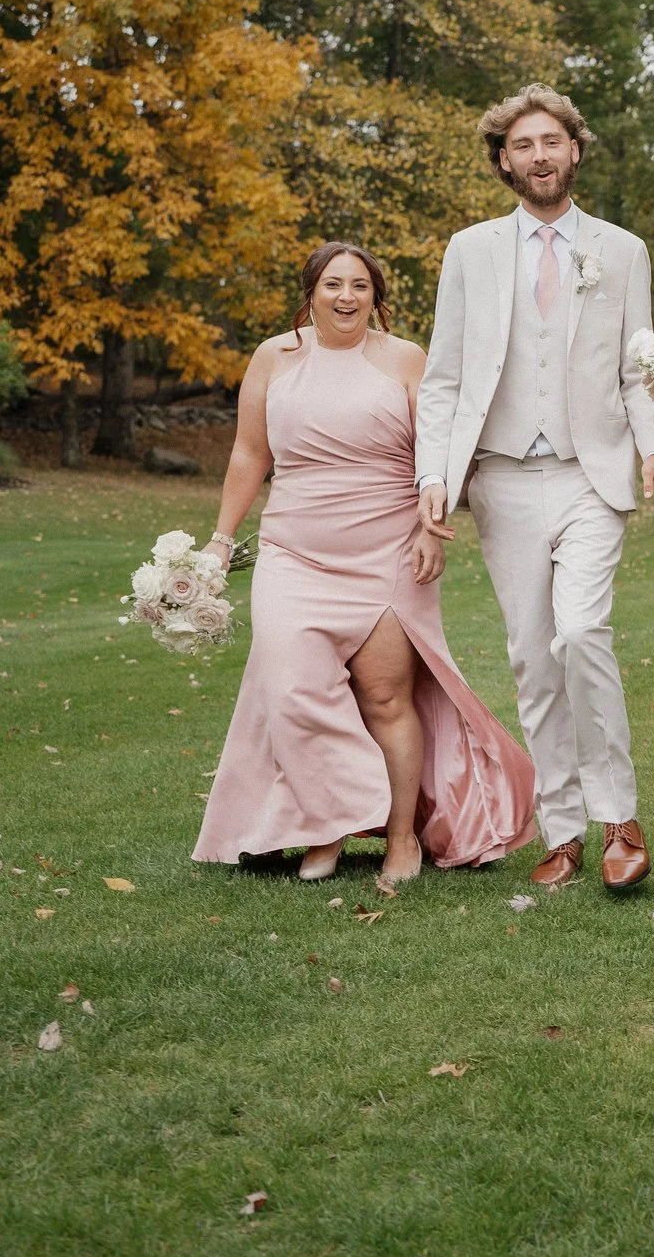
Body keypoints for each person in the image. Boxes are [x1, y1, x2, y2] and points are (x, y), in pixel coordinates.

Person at [195, 243, 534, 885]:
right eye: (332, 284)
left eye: (359, 285)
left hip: (389, 548)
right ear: (311, 293)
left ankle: (401, 839)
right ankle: (328, 823)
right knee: (293, 690)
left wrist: (432, 528)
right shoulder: (274, 357)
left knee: (385, 699)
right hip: (293, 547)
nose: (345, 296)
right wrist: (220, 538)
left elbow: (436, 453)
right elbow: (248, 454)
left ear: (376, 295)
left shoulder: (405, 359)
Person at [413, 84, 654, 893]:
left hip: (588, 474)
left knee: (582, 631)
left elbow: (638, 370)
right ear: (504, 158)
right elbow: (446, 375)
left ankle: (621, 817)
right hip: (498, 477)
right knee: (533, 657)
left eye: (551, 142)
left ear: (575, 150)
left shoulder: (621, 249)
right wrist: (435, 471)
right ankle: (562, 832)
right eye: (523, 144)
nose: (539, 155)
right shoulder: (471, 249)